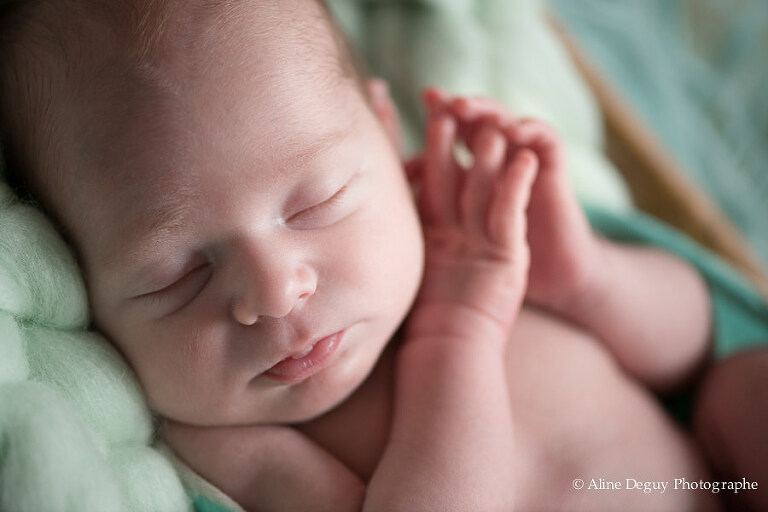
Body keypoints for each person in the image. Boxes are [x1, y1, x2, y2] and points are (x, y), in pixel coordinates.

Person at [0, 0, 765, 510]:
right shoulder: (234, 439)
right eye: (179, 274)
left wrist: (592, 279)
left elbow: (695, 350)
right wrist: (458, 329)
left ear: (384, 131)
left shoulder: (462, 233)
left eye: (316, 203)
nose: (275, 291)